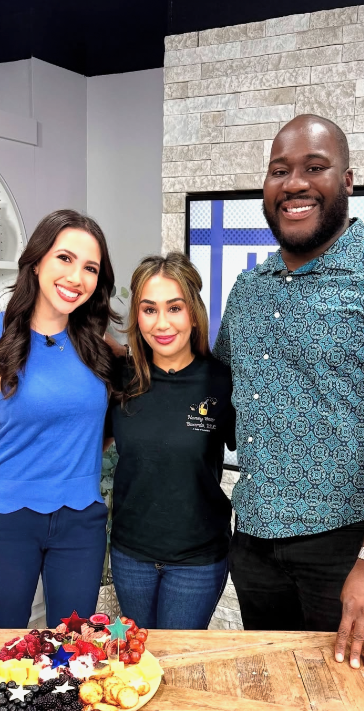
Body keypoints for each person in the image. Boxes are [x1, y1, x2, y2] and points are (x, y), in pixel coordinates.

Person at [213, 114, 364, 668]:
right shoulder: (249, 289)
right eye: (280, 171)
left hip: (346, 549)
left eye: (314, 167)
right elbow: (216, 384)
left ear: (347, 180)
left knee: (345, 701)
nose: (294, 184)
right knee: (275, 694)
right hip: (252, 541)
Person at [0, 209, 120, 628]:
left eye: (90, 268)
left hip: (81, 519)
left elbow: (105, 425)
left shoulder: (100, 345)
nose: (76, 277)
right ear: (37, 261)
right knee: (6, 646)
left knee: (75, 647)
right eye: (65, 258)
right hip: (5, 518)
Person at [106, 253, 236, 629]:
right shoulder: (120, 380)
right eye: (149, 309)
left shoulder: (222, 381)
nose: (161, 323)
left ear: (193, 313)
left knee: (177, 658)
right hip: (131, 555)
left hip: (198, 560)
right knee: (138, 655)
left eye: (174, 308)